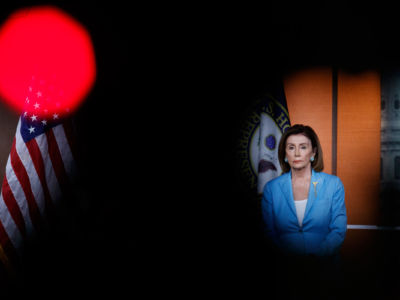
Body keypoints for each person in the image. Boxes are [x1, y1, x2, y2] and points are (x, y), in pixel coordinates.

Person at [261, 124, 347, 299]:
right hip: (284, 271)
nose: (297, 153)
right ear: (285, 154)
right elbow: (268, 232)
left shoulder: (333, 184)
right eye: (291, 147)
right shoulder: (271, 188)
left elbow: (338, 230)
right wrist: (291, 259)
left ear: (313, 152)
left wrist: (315, 258)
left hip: (324, 270)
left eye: (303, 147)